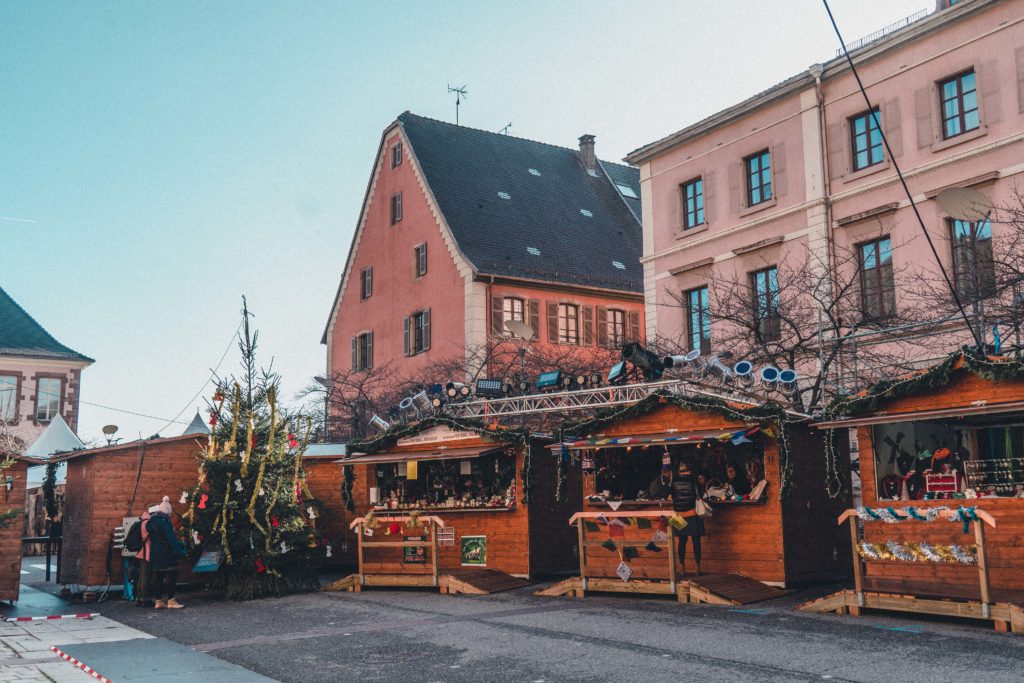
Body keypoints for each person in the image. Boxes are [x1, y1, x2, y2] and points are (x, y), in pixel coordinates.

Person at [147, 496, 187, 609]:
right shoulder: (165, 523)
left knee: (158, 577)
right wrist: (181, 550)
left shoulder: (151, 522)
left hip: (155, 554)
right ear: (167, 512)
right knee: (173, 576)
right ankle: (171, 600)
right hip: (167, 554)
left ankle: (158, 601)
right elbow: (172, 540)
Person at [671, 461, 704, 577]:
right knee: (696, 541)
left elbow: (671, 497)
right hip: (692, 514)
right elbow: (700, 495)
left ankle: (682, 567)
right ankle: (697, 567)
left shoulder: (673, 482)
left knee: (681, 541)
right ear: (689, 470)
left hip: (678, 515)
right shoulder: (694, 480)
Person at [133, 509, 153, 606]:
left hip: (140, 551)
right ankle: (145, 599)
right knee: (145, 576)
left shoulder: (141, 522)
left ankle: (138, 598)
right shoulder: (147, 523)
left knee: (141, 576)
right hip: (146, 552)